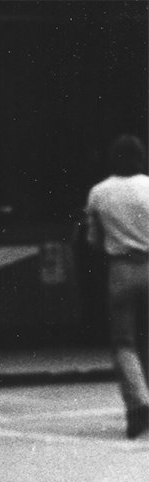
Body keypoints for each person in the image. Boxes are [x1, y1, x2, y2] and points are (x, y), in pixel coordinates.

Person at [85, 134, 149, 440]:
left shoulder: (99, 192)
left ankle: (138, 402)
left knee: (124, 342)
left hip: (121, 269)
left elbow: (93, 240)